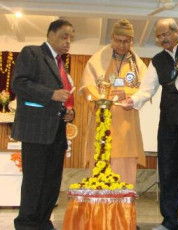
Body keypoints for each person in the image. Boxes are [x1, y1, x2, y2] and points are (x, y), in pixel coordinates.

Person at [121, 18, 178, 230]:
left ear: (177, 31)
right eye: (159, 36)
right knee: (169, 171)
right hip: (168, 122)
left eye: (166, 34)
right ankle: (169, 222)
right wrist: (132, 101)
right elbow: (147, 88)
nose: (163, 39)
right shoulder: (157, 60)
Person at [11, 19, 75, 230]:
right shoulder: (32, 53)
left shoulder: (61, 64)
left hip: (56, 131)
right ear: (50, 34)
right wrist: (52, 94)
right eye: (65, 36)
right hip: (36, 130)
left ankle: (43, 220)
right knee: (34, 181)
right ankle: (26, 224)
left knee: (51, 181)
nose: (68, 42)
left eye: (71, 38)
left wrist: (69, 113)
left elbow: (62, 98)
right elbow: (19, 83)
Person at [79, 19, 146, 187]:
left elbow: (146, 90)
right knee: (100, 165)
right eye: (118, 41)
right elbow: (87, 85)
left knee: (124, 172)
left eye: (126, 41)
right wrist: (100, 101)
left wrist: (127, 93)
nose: (122, 45)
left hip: (126, 127)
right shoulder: (98, 60)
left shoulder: (137, 65)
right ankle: (99, 210)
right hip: (102, 124)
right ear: (112, 38)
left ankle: (122, 210)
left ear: (132, 41)